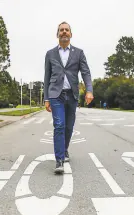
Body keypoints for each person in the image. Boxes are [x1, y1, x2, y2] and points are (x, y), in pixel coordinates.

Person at [43, 21, 94, 174]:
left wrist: (89, 90)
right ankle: (59, 160)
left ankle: (64, 149)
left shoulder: (79, 53)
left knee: (69, 126)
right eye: (61, 30)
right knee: (59, 125)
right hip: (55, 95)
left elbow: (85, 72)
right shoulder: (50, 54)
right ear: (57, 34)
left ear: (71, 34)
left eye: (66, 30)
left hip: (72, 95)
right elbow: (47, 77)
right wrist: (46, 98)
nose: (64, 32)